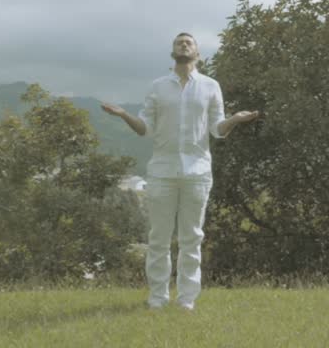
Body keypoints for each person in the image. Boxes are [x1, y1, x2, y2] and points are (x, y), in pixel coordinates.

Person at [101, 32, 258, 311]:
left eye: (188, 42)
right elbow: (145, 128)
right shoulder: (158, 87)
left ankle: (186, 300)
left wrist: (235, 119)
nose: (183, 45)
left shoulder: (211, 86)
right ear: (173, 52)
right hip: (161, 172)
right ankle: (157, 298)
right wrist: (124, 115)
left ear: (197, 52)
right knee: (158, 237)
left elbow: (217, 129)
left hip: (197, 173)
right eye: (178, 42)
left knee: (192, 237)